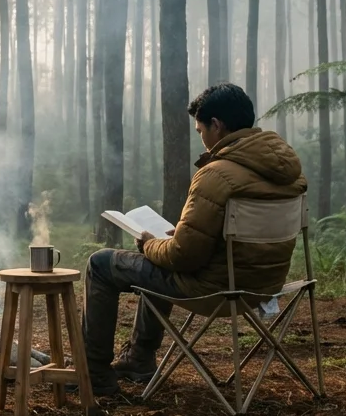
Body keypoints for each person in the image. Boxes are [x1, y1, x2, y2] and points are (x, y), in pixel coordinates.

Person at [81, 83, 307, 396]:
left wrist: (149, 244)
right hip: (265, 287)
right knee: (159, 255)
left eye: (200, 130)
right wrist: (174, 242)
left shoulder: (216, 175)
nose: (201, 137)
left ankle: (93, 374)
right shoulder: (292, 175)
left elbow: (182, 258)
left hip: (214, 290)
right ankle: (137, 359)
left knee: (102, 263)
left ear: (216, 125)